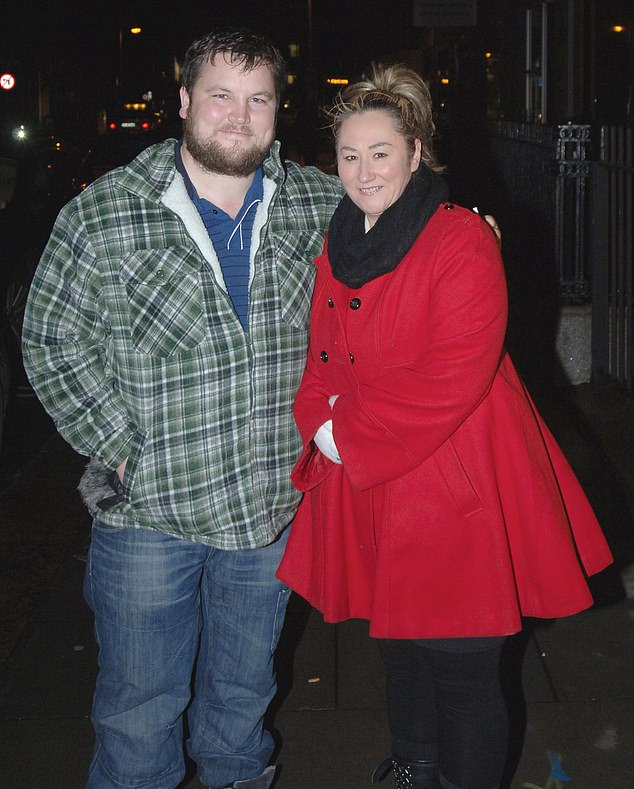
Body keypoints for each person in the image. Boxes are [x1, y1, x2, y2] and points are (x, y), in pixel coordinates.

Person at [21, 28, 345, 789]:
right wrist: (119, 444)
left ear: (277, 108)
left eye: (258, 98)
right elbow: (49, 339)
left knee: (242, 702)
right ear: (185, 101)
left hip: (266, 514)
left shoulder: (317, 205)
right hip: (148, 519)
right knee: (139, 711)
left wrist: (470, 230)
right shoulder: (106, 214)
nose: (239, 116)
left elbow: (403, 239)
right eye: (221, 95)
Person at [275, 63, 613, 789]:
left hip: (455, 482)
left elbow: (450, 376)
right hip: (373, 475)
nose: (363, 171)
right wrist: (319, 420)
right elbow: (321, 357)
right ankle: (416, 764)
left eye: (381, 153)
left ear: (416, 152)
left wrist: (343, 436)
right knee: (398, 644)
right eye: (349, 155)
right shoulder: (341, 239)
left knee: (462, 668)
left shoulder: (460, 238)